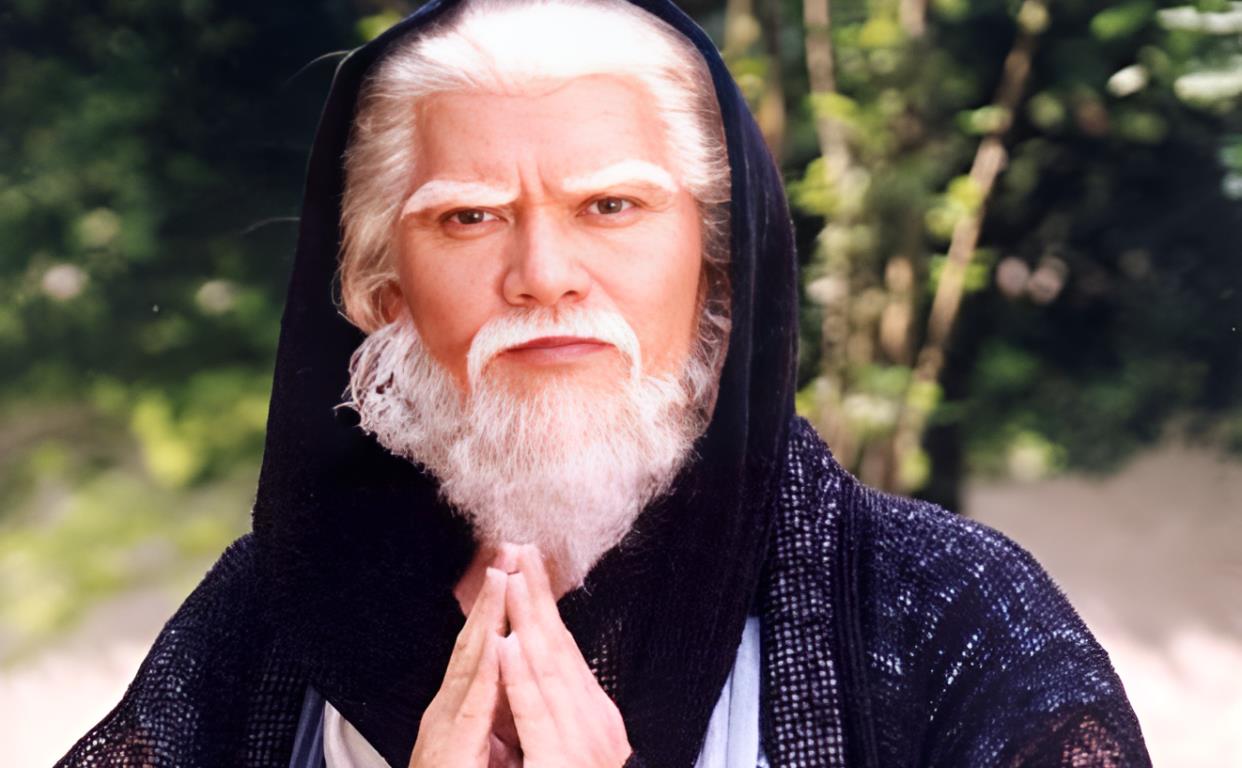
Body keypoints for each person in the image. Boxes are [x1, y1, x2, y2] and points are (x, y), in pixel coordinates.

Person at [57, 0, 1152, 766]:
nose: (543, 275)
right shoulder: (271, 613)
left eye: (611, 207)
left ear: (716, 262)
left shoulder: (942, 604)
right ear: (384, 292)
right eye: (467, 217)